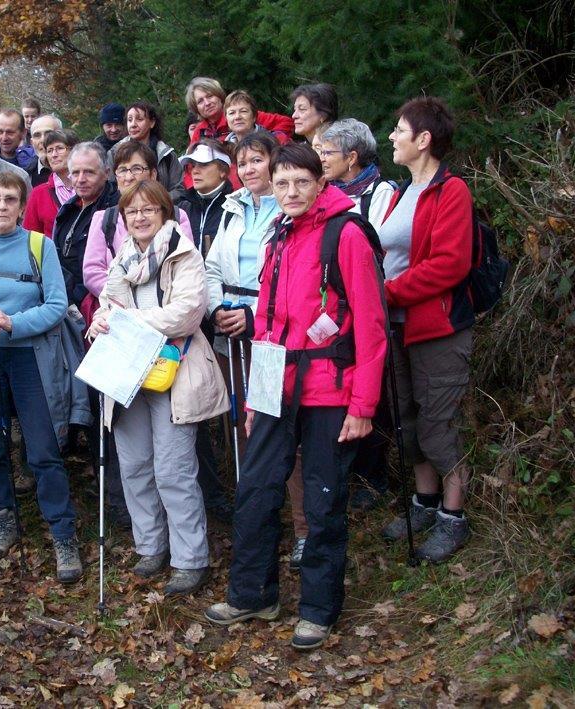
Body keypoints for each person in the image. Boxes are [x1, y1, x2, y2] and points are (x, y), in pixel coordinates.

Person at [205, 143, 387, 651]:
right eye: (282, 183)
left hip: (331, 389)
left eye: (301, 182)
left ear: (321, 182)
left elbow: (372, 326)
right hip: (275, 386)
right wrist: (254, 400)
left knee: (324, 500)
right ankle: (252, 595)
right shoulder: (278, 236)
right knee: (255, 490)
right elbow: (267, 323)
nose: (291, 192)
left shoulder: (346, 234)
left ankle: (317, 610)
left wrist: (363, 407)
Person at [88, 180, 228, 596]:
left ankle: (190, 559)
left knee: (173, 471)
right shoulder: (122, 259)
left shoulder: (184, 254)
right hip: (127, 373)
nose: (140, 217)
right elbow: (107, 306)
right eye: (132, 211)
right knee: (134, 466)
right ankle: (150, 546)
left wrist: (124, 322)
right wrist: (100, 321)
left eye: (149, 209)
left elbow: (186, 314)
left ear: (165, 212)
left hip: (173, 374)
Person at [0, 171, 83, 584]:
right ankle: (4, 521)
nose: (2, 206)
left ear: (22, 207)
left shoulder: (40, 246)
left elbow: (57, 304)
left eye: (10, 199)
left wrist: (12, 323)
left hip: (31, 360)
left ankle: (63, 535)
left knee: (43, 450)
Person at [379, 97, 476, 562]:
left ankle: (453, 518)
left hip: (437, 328)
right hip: (396, 327)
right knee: (407, 419)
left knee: (439, 423)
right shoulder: (402, 192)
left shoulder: (450, 191)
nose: (392, 137)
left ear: (423, 139)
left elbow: (449, 265)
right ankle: (425, 501)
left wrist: (388, 293)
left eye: (399, 130)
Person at [318, 118, 398, 511]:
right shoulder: (326, 193)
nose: (321, 159)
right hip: (334, 308)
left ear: (352, 157)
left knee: (373, 392)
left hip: (370, 300)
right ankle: (350, 474)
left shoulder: (381, 192)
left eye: (327, 152)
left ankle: (373, 476)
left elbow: (378, 243)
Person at [204, 132, 280, 464]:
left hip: (270, 326)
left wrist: (254, 313)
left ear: (275, 162)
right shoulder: (232, 208)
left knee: (271, 413)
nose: (248, 169)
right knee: (240, 412)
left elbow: (290, 278)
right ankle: (248, 485)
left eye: (257, 160)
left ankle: (285, 490)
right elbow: (211, 268)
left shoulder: (289, 207)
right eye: (242, 163)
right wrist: (215, 308)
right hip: (230, 325)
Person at [83, 140, 192, 299]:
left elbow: (187, 268)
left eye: (136, 169)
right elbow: (92, 272)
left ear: (153, 174)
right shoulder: (104, 219)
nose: (128, 177)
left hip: (169, 304)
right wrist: (126, 299)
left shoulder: (176, 215)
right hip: (117, 306)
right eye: (122, 170)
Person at [53, 142, 118, 310]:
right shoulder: (68, 209)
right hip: (64, 300)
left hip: (98, 304)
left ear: (106, 173)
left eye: (89, 172)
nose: (81, 179)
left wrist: (77, 298)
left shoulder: (117, 211)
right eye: (75, 173)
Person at [185, 77, 294, 145]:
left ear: (219, 96)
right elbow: (191, 165)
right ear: (196, 108)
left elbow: (287, 123)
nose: (207, 103)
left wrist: (269, 143)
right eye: (200, 101)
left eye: (210, 96)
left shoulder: (242, 117)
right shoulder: (200, 132)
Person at [174, 139, 233, 256]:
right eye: (193, 165)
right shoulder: (181, 208)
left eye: (204, 164)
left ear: (223, 170)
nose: (195, 171)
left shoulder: (235, 209)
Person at [108, 101, 182, 191]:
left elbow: (179, 189)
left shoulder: (166, 155)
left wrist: (158, 199)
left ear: (152, 122)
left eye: (139, 119)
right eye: (130, 120)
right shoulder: (115, 152)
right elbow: (110, 189)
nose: (133, 124)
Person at [23, 129, 78, 238]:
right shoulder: (39, 194)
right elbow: (31, 237)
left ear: (74, 151)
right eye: (49, 150)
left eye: (60, 148)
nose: (54, 155)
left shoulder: (88, 187)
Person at [224, 90, 293, 145]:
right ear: (226, 119)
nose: (237, 117)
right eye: (232, 113)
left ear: (254, 117)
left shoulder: (273, 142)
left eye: (243, 111)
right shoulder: (224, 148)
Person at [26, 114, 63, 187]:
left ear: (62, 136)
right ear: (32, 142)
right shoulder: (26, 176)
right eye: (37, 135)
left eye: (49, 134)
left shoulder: (76, 171)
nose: (43, 140)